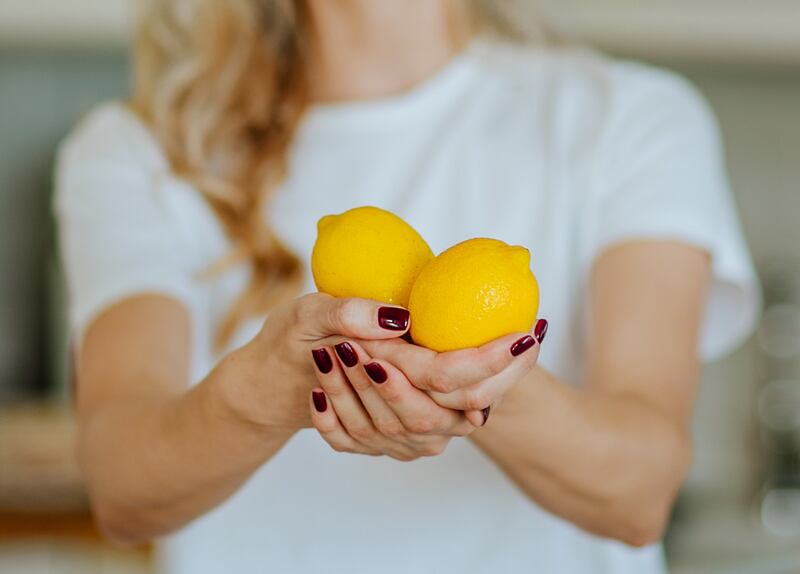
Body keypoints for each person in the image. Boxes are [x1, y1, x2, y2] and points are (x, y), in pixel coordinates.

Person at [54, 1, 759, 573]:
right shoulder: (137, 151)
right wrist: (259, 391)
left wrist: (478, 382)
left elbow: (640, 491)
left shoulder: (630, 119)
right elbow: (122, 489)